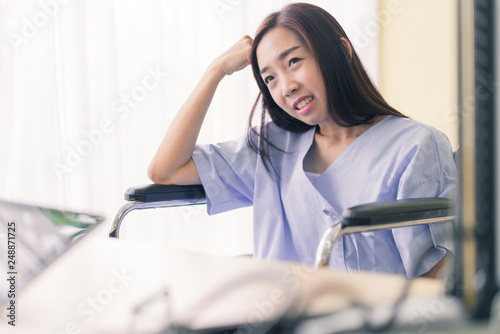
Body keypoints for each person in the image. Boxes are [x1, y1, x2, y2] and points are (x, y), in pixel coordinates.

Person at [148, 3, 458, 278]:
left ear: (342, 52)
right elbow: (165, 169)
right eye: (269, 78)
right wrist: (214, 72)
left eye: (293, 61)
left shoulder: (416, 146)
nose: (286, 87)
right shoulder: (270, 148)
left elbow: (433, 285)